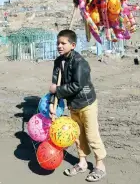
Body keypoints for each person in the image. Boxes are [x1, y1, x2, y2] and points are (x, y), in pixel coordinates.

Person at [49, 29, 107, 182]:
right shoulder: (58, 62)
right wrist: (51, 103)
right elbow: (55, 82)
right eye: (58, 43)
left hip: (86, 103)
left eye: (63, 43)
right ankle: (82, 162)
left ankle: (100, 165)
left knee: (92, 135)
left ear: (73, 45)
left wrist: (58, 90)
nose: (60, 46)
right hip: (73, 105)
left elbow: (77, 85)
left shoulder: (80, 62)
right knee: (77, 135)